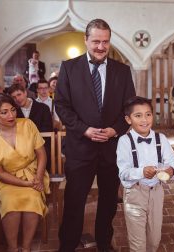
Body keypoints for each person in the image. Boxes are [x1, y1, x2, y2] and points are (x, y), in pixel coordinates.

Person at [55, 19, 136, 252]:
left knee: (109, 201)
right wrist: (84, 129)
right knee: (74, 201)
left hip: (111, 148)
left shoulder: (123, 71)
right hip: (80, 147)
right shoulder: (69, 68)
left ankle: (103, 243)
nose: (101, 46)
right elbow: (61, 105)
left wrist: (116, 129)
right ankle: (68, 245)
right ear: (86, 40)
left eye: (105, 41)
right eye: (96, 41)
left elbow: (129, 108)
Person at [0, 93, 50, 252]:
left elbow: (41, 154)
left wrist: (38, 178)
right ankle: (12, 248)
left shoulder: (27, 124)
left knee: (32, 197)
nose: (11, 115)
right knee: (10, 202)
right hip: (5, 179)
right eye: (4, 112)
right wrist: (26, 183)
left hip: (33, 173)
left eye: (12, 110)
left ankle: (26, 248)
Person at [116, 96, 174, 252]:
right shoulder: (124, 141)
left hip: (157, 193)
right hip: (135, 193)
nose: (144, 120)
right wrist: (141, 172)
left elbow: (173, 163)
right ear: (128, 119)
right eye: (138, 116)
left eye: (148, 114)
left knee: (154, 240)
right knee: (138, 244)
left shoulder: (161, 139)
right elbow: (123, 173)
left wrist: (170, 170)